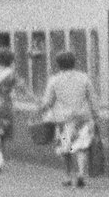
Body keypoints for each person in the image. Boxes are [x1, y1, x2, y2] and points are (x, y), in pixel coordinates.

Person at [38, 50, 97, 188]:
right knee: (81, 146)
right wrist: (95, 113)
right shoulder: (84, 78)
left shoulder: (54, 80)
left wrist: (42, 108)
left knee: (66, 148)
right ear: (74, 63)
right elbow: (92, 98)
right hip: (83, 119)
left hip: (63, 122)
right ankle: (81, 174)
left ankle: (68, 176)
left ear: (58, 64)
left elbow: (48, 102)